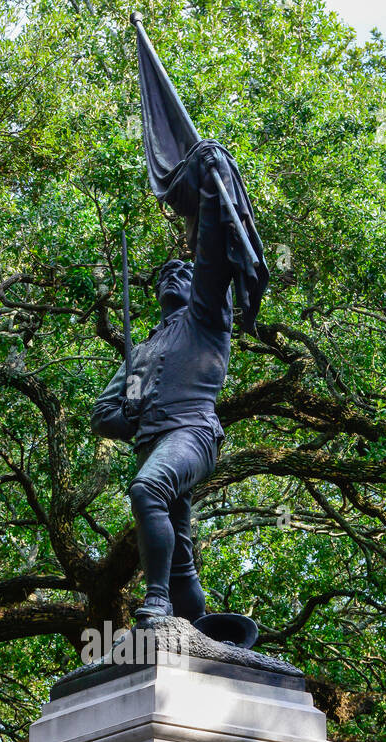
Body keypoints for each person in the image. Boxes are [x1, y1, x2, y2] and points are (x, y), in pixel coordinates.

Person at [90, 145, 237, 624]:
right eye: (165, 275)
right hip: (152, 441)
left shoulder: (206, 318)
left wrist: (210, 193)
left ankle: (154, 602)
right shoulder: (144, 350)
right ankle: (198, 625)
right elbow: (105, 414)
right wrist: (129, 414)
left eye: (184, 270)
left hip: (192, 432)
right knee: (181, 558)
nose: (175, 273)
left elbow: (212, 256)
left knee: (146, 491)